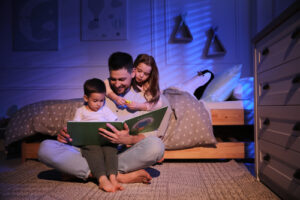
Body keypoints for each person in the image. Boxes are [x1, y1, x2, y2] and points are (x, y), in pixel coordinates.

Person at [38, 52, 171, 185]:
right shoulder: (99, 93)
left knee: (156, 146)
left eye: (122, 80)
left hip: (121, 153)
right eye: (113, 79)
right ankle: (115, 175)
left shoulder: (143, 100)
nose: (117, 84)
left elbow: (149, 135)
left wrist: (128, 139)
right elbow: (82, 121)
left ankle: (92, 172)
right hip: (90, 151)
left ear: (133, 73)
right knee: (45, 148)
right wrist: (67, 136)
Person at [73, 78, 123, 192]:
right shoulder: (81, 111)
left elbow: (115, 123)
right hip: (89, 142)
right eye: (95, 101)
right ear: (86, 98)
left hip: (105, 140)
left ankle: (113, 177)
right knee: (94, 149)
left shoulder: (104, 110)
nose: (98, 104)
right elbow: (75, 128)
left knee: (111, 149)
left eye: (101, 100)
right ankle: (102, 179)